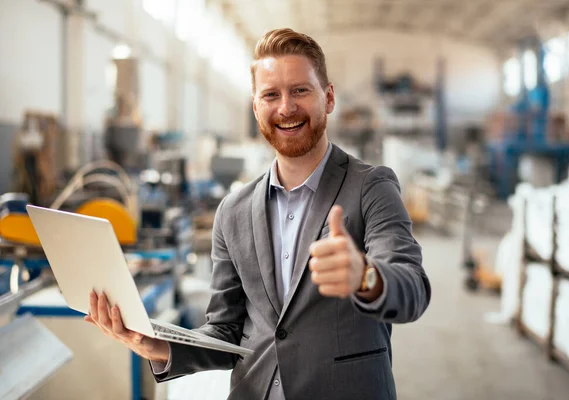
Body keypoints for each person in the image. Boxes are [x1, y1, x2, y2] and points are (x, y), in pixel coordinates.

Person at [85, 28, 431, 400]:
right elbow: (225, 330)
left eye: (300, 90)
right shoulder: (233, 211)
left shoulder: (371, 187)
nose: (286, 108)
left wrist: (365, 276)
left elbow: (412, 287)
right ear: (255, 107)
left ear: (328, 98)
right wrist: (160, 345)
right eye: (271, 94)